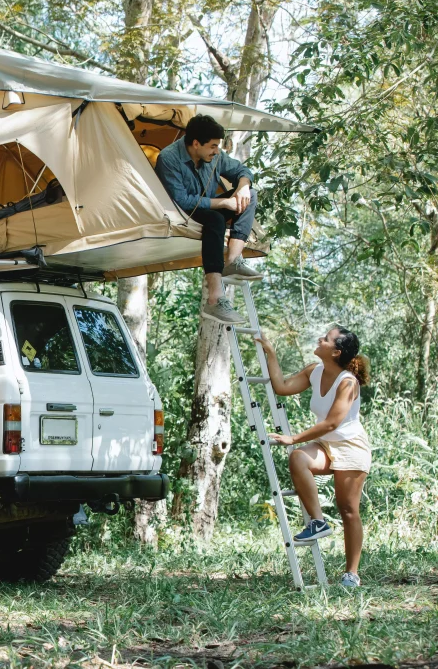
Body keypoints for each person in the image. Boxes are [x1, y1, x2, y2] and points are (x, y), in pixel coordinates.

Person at [254, 327, 371, 588]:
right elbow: (282, 387)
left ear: (336, 351)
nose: (320, 339)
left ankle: (351, 573)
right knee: (298, 459)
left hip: (351, 447)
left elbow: (332, 423)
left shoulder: (347, 382)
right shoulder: (313, 371)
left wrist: (294, 437)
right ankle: (318, 522)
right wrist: (271, 353)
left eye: (326, 339)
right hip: (326, 446)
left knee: (349, 510)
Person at [155, 115, 262, 325]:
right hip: (180, 213)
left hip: (208, 207)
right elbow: (182, 200)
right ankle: (214, 299)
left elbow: (242, 170)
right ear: (196, 144)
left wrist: (243, 187)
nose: (216, 151)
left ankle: (232, 261)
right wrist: (223, 204)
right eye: (213, 146)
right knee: (215, 218)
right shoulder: (168, 158)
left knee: (251, 195)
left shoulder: (215, 155)